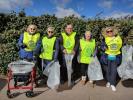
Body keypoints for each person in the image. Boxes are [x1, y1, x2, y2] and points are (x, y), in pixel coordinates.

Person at [100, 27, 122, 91]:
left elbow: (120, 45)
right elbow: (102, 46)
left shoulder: (118, 38)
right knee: (107, 70)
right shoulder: (105, 39)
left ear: (113, 31)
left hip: (115, 56)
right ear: (106, 33)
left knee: (114, 70)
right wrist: (104, 47)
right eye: (108, 31)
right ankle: (109, 81)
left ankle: (113, 84)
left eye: (111, 31)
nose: (109, 32)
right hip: (107, 56)